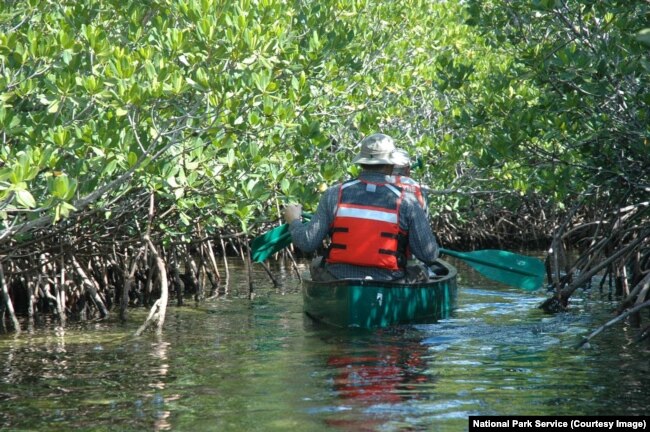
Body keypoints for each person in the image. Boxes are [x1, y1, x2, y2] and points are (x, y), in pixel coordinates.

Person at [282, 133, 439, 282]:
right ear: (391, 165)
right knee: (421, 271)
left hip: (339, 280)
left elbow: (307, 243)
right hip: (390, 281)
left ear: (362, 163)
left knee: (317, 263)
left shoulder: (333, 194)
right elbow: (429, 255)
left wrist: (294, 220)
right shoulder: (408, 201)